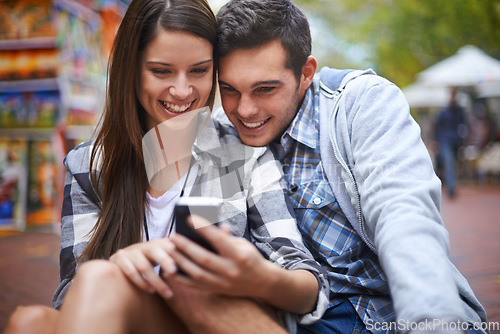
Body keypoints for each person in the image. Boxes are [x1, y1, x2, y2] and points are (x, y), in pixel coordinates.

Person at [4, 0, 330, 333]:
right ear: (130, 70)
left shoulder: (243, 157)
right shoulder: (89, 166)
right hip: (122, 318)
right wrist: (119, 268)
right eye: (161, 71)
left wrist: (258, 276)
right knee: (28, 321)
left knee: (97, 277)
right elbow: (69, 295)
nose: (182, 90)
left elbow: (308, 285)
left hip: (205, 320)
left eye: (200, 71)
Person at [165, 0, 488, 333]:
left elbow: (404, 218)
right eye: (230, 89)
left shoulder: (362, 104)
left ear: (306, 74)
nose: (245, 110)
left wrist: (431, 323)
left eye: (265, 89)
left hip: (395, 313)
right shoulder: (220, 139)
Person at [434, 87, 468, 198]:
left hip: (456, 141)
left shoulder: (459, 110)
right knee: (449, 162)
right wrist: (436, 141)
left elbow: (464, 125)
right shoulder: (444, 111)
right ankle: (451, 187)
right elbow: (438, 126)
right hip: (445, 140)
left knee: (452, 163)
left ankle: (451, 185)